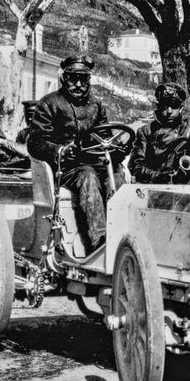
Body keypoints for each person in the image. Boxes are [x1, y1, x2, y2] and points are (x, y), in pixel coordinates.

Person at [27, 55, 113, 251]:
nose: (78, 84)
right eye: (73, 78)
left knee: (118, 177)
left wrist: (116, 150)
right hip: (65, 170)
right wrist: (62, 150)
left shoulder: (97, 105)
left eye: (83, 79)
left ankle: (123, 234)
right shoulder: (49, 103)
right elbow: (36, 143)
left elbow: (105, 136)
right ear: (64, 79)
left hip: (95, 163)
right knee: (88, 176)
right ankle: (99, 242)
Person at [129, 82, 190, 185]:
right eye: (165, 105)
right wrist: (161, 176)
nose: (169, 111)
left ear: (180, 108)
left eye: (174, 106)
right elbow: (136, 166)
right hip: (153, 188)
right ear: (158, 106)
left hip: (183, 189)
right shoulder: (146, 132)